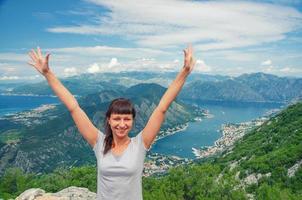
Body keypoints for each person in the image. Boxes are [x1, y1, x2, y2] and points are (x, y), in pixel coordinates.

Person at [28, 45, 196, 200]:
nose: (121, 124)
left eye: (126, 119)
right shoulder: (98, 142)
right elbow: (74, 107)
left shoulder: (140, 144)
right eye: (116, 118)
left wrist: (184, 72)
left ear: (132, 121)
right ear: (108, 120)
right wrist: (47, 73)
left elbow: (162, 108)